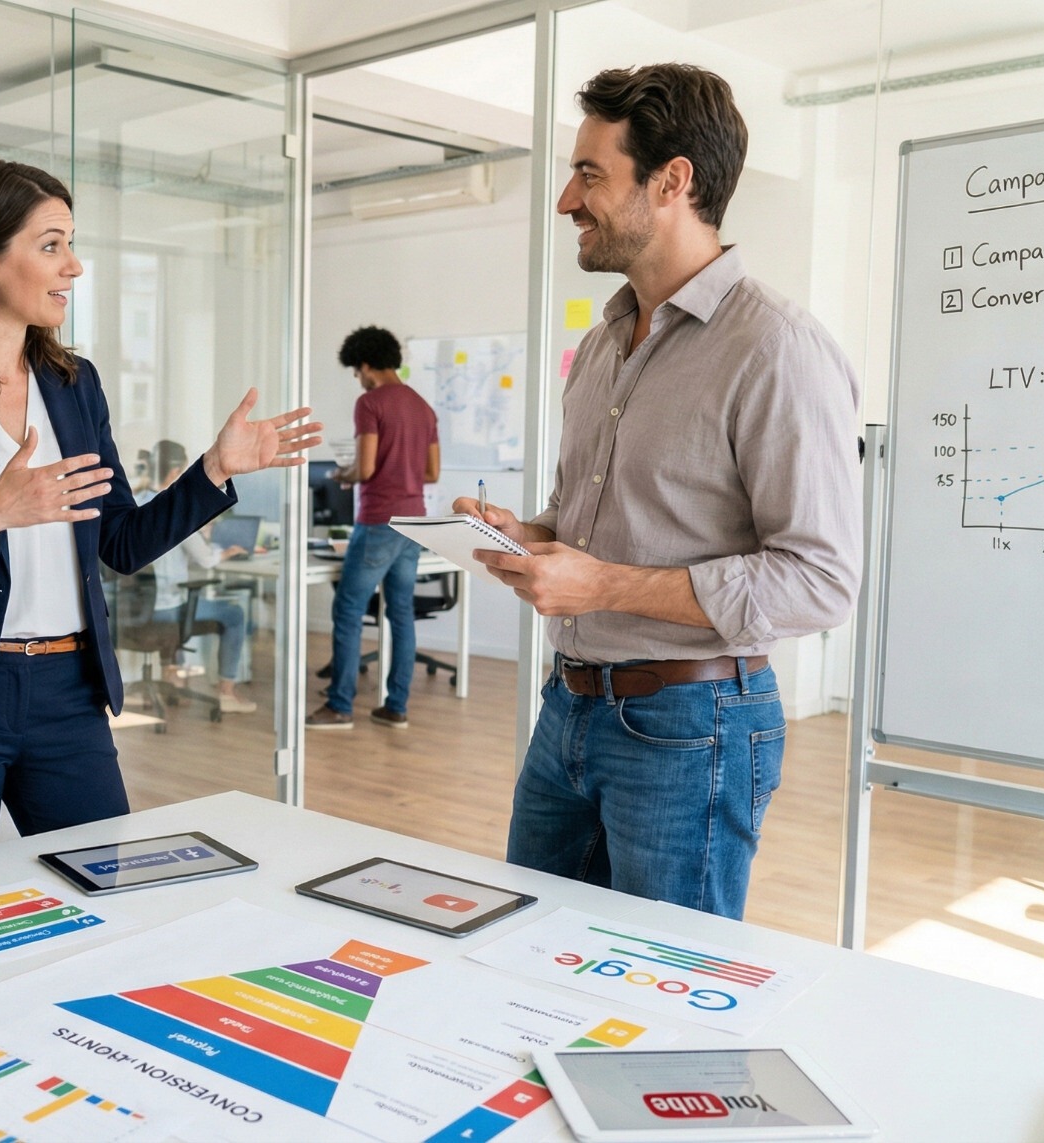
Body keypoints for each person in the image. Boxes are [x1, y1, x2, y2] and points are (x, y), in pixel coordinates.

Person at [456, 64, 860, 920]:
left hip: (693, 726)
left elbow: (821, 580)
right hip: (567, 708)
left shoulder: (777, 348)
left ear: (672, 181)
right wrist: (525, 537)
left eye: (590, 174)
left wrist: (601, 584)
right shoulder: (604, 343)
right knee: (524, 953)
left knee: (660, 982)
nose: (567, 200)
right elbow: (594, 523)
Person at [0, 158, 319, 864]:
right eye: (51, 245)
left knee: (104, 886)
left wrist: (213, 470)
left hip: (67, 693)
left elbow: (119, 541)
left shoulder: (73, 383)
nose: (74, 266)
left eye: (71, 243)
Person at [306, 325, 439, 731]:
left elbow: (364, 469)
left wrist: (342, 474)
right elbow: (431, 473)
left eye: (355, 371)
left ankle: (340, 705)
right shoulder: (424, 407)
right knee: (401, 613)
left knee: (347, 609)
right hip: (415, 521)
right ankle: (395, 706)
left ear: (365, 365)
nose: (357, 378)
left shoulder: (370, 403)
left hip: (380, 520)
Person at [145, 440, 256, 714]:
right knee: (234, 614)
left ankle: (172, 677)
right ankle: (226, 692)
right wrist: (227, 552)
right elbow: (206, 559)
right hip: (168, 610)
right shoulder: (174, 507)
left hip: (132, 611)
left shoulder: (134, 502)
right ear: (175, 473)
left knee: (180, 602)